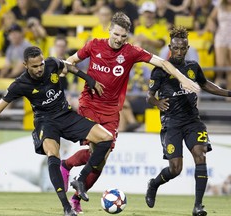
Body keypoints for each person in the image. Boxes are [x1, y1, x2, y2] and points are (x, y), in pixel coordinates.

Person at [60, 12, 200, 214]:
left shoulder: (131, 52)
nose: (119, 39)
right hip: (89, 104)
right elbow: (69, 61)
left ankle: (72, 185)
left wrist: (182, 78)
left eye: (123, 36)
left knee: (101, 159)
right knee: (96, 150)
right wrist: (68, 70)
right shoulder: (94, 45)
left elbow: (162, 62)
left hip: (112, 110)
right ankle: (70, 175)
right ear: (110, 29)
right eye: (116, 34)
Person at [0, 46, 114, 216]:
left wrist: (89, 79)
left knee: (106, 139)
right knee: (53, 154)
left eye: (41, 64)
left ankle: (80, 180)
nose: (39, 69)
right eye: (34, 66)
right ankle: (66, 207)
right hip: (46, 122)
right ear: (25, 65)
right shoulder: (20, 84)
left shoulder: (51, 63)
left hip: (65, 114)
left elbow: (68, 66)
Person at [145, 26, 231, 216]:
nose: (179, 52)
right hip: (171, 122)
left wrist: (228, 93)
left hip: (193, 120)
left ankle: (198, 206)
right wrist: (157, 102)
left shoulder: (192, 67)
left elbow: (206, 84)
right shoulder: (160, 70)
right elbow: (148, 96)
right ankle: (154, 184)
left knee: (200, 156)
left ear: (187, 48)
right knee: (175, 168)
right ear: (170, 47)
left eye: (182, 48)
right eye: (175, 48)